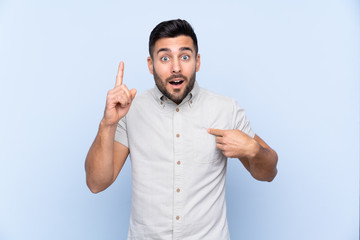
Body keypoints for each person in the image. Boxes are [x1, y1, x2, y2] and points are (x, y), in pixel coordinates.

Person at [85, 19, 278, 240]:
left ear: (197, 61)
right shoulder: (130, 110)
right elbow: (96, 183)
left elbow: (268, 173)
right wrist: (107, 123)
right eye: (165, 58)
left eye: (185, 57)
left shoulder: (225, 109)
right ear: (151, 65)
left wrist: (253, 150)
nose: (176, 67)